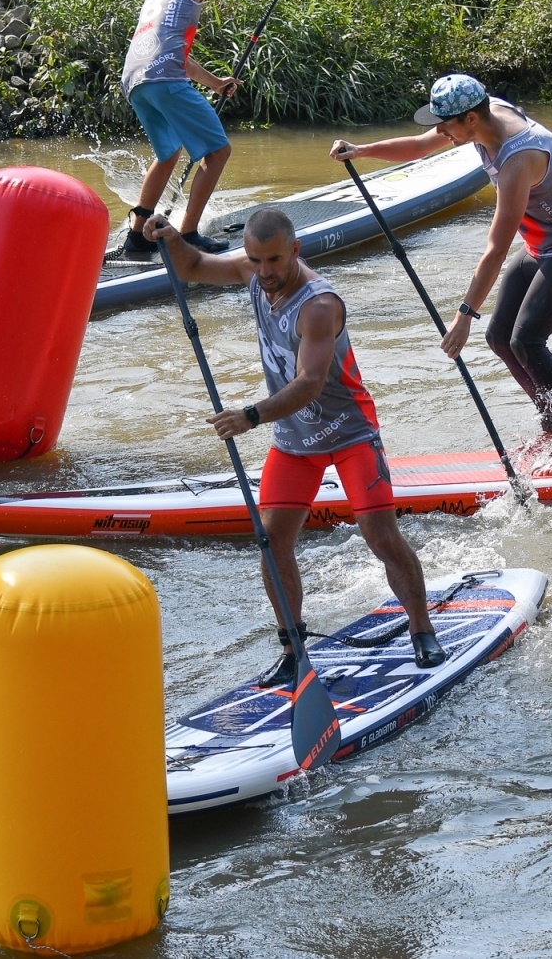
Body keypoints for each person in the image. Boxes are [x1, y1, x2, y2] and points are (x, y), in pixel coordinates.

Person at [143, 207, 447, 681]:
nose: (264, 272)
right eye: (256, 259)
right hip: (293, 439)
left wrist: (250, 416)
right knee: (272, 542)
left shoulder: (318, 306)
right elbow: (194, 267)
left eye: (275, 260)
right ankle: (293, 651)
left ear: (296, 251)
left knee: (381, 538)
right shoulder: (252, 271)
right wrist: (170, 237)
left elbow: (308, 382)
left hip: (349, 434)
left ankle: (422, 630)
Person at [329, 73, 552, 473]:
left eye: (446, 125)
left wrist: (463, 317)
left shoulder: (517, 159)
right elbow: (418, 147)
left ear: (472, 119)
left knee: (527, 340)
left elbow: (495, 250)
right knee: (499, 337)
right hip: (543, 243)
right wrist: (361, 150)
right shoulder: (479, 113)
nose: (440, 132)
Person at [117, 0, 300, 258]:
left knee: (168, 154)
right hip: (164, 79)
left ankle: (137, 236)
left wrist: (215, 82)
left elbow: (177, 55)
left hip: (135, 81)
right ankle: (188, 234)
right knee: (217, 152)